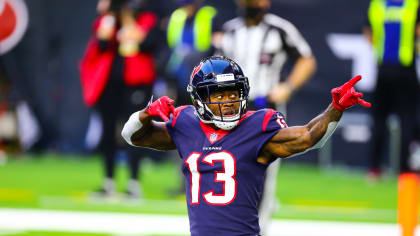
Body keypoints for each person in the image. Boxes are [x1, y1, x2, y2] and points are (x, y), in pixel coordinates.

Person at [121, 56, 370, 235]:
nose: (228, 101)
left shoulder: (256, 126)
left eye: (233, 93)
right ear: (199, 99)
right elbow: (132, 136)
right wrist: (145, 114)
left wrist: (335, 109)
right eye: (218, 95)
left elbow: (307, 136)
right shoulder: (186, 123)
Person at [215, 0, 316, 231]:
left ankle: (260, 228)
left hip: (266, 107)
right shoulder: (230, 30)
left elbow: (307, 59)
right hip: (233, 109)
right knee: (230, 166)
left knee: (264, 171)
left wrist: (288, 87)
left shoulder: (279, 29)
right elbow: (215, 67)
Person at [80, 0, 161, 197]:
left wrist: (128, 18)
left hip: (136, 83)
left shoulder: (145, 19)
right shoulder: (108, 20)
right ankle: (109, 183)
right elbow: (101, 43)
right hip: (110, 84)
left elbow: (146, 43)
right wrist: (109, 17)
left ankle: (134, 184)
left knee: (135, 131)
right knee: (108, 133)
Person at [363, 0, 420, 178]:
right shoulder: (412, 4)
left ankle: (374, 168)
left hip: (383, 68)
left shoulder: (378, 5)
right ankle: (405, 169)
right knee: (408, 119)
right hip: (406, 67)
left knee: (379, 119)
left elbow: (368, 34)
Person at [165, 0, 222, 106]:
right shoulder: (177, 16)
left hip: (203, 65)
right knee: (183, 99)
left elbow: (217, 39)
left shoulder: (208, 14)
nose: (187, 8)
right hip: (180, 64)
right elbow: (171, 42)